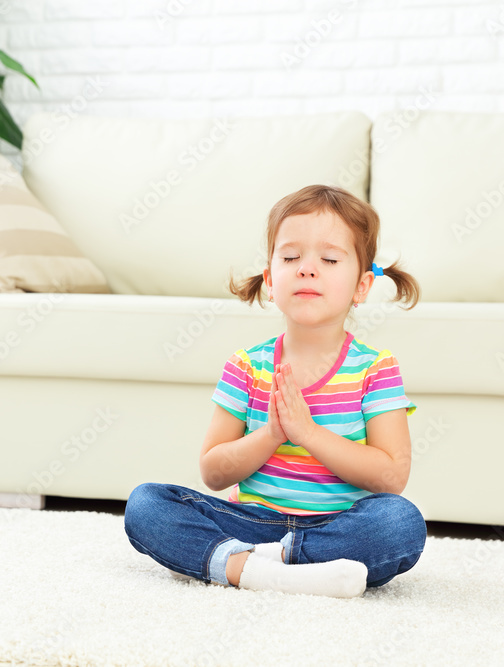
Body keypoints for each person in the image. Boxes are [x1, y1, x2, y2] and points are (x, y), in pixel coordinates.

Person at [123, 184, 427, 598]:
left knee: (399, 523)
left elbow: (391, 477)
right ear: (270, 279)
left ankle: (242, 563)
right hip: (250, 519)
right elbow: (213, 472)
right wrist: (272, 435)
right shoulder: (247, 366)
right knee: (145, 505)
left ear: (361, 286)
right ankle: (277, 571)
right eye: (290, 257)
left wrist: (309, 434)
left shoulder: (376, 368)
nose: (307, 268)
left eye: (330, 258)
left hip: (334, 524)